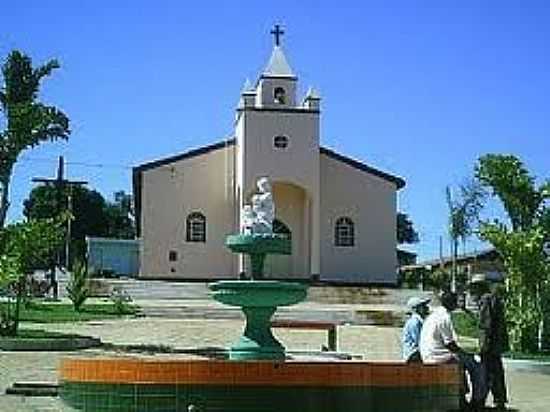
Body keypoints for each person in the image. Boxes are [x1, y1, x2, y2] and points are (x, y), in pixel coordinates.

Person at [420, 290, 486, 410]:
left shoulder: (434, 315)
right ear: (452, 303)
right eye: (457, 301)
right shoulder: (444, 317)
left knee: (462, 361)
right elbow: (450, 344)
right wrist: (465, 352)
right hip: (437, 357)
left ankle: (463, 396)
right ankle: (476, 400)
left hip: (428, 354)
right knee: (476, 366)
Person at [468, 274, 509, 410]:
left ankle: (483, 401)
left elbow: (486, 326)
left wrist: (481, 346)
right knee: (496, 372)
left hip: (490, 345)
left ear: (479, 287)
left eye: (474, 288)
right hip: (496, 344)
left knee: (488, 373)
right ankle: (499, 400)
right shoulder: (494, 299)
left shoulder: (486, 300)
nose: (472, 292)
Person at [402, 296, 430, 362]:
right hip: (413, 355)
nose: (427, 307)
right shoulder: (414, 322)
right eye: (423, 306)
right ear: (415, 309)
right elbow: (419, 341)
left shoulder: (420, 321)